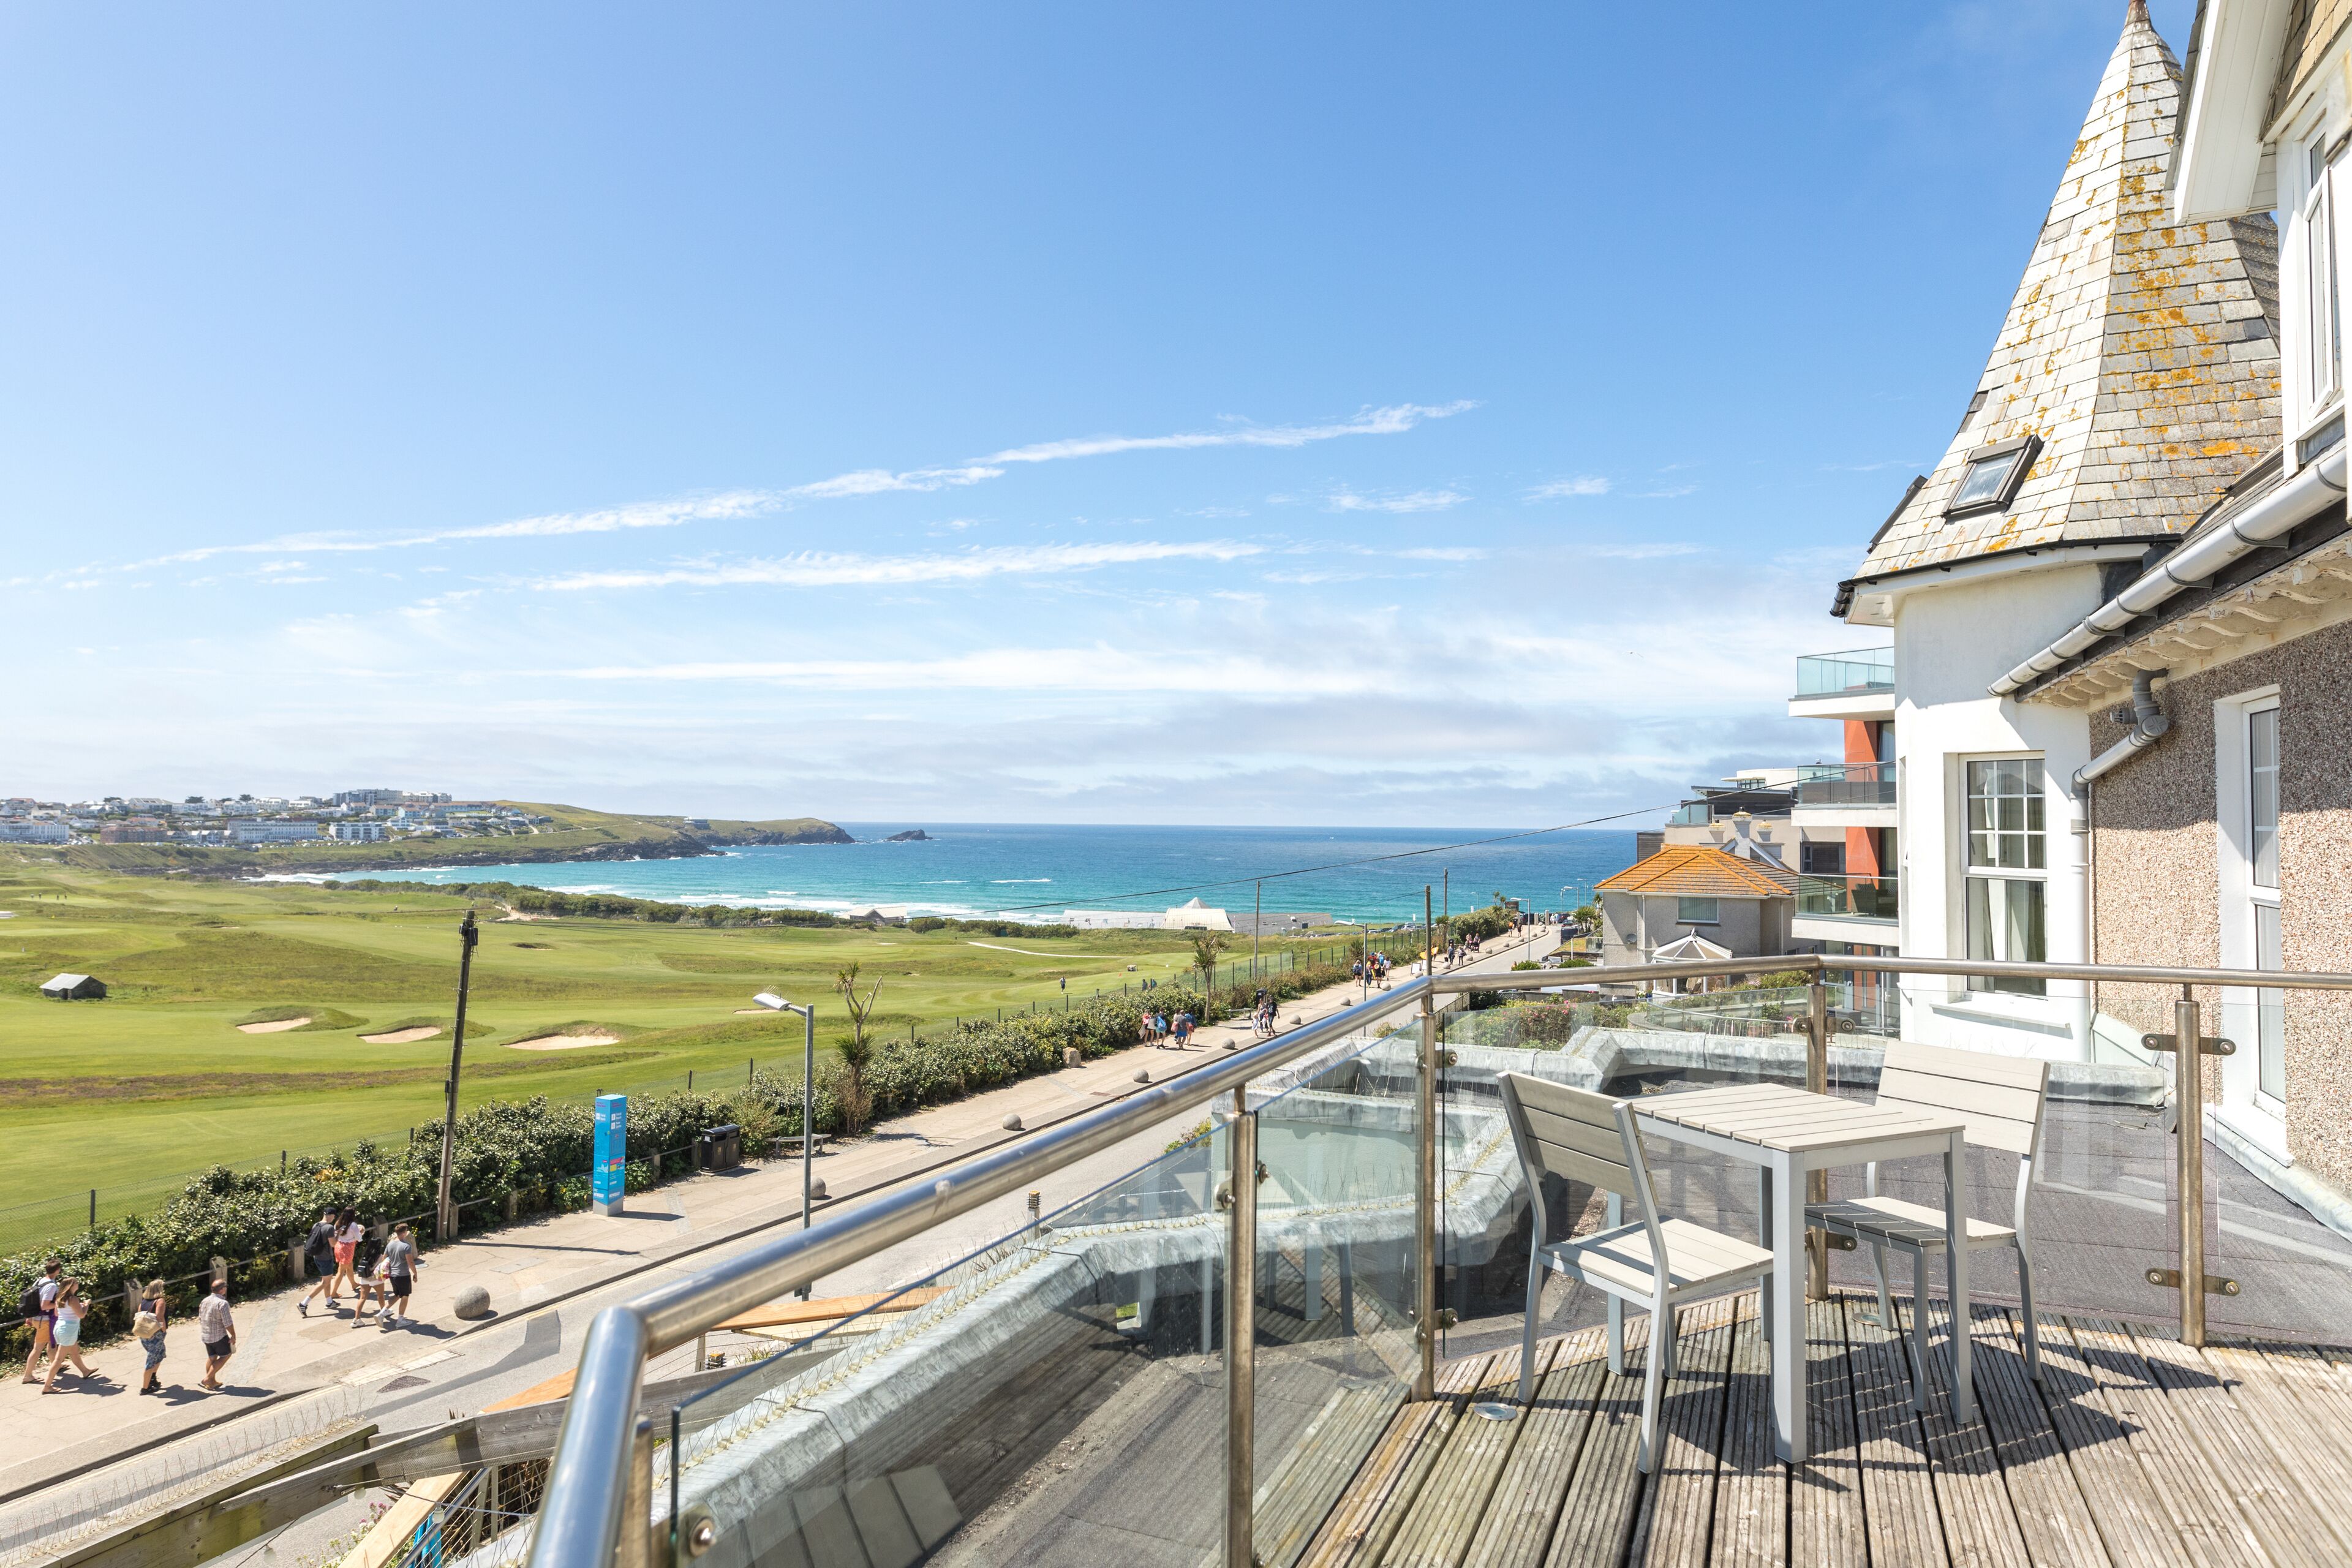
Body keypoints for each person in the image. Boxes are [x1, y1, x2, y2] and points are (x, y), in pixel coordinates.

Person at [40, 1281, 100, 1392]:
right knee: (58, 1360)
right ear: (71, 1286)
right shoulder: (73, 1299)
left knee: (75, 1352)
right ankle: (47, 1386)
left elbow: (57, 1314)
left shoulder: (60, 1298)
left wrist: (78, 1307)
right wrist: (86, 1305)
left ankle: (85, 1371)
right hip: (68, 1331)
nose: (78, 1284)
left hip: (60, 1328)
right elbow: (82, 1315)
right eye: (76, 1283)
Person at [18, 1258, 61, 1385]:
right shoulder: (52, 1286)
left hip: (39, 1319)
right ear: (57, 1271)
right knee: (38, 1349)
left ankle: (56, 1365)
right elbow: (44, 1306)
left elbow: (33, 1300)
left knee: (52, 1343)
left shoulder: (40, 1281)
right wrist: (59, 1304)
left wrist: (30, 1317)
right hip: (45, 1321)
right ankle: (28, 1376)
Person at [298, 1207, 341, 1316]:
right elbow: (333, 1244)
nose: (334, 1218)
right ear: (331, 1215)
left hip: (317, 1257)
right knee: (325, 1282)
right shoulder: (329, 1227)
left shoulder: (316, 1225)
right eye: (334, 1216)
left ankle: (329, 1302)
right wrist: (339, 1234)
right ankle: (304, 1303)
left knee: (326, 1279)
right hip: (326, 1258)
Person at [378, 1222, 421, 1329]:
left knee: (397, 1295)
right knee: (405, 1296)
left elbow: (384, 1258)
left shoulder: (390, 1244)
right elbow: (410, 1262)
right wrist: (415, 1273)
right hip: (403, 1275)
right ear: (404, 1233)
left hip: (393, 1275)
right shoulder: (406, 1246)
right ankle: (400, 1320)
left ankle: (382, 1313)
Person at [197, 1278, 236, 1391]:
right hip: (218, 1336)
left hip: (206, 1335)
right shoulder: (222, 1303)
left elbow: (200, 1318)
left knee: (212, 1357)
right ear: (222, 1290)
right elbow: (228, 1322)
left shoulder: (205, 1301)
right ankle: (208, 1379)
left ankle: (212, 1382)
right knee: (226, 1355)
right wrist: (233, 1335)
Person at [135, 1280, 169, 1395]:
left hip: (145, 1334)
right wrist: (164, 1330)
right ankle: (145, 1388)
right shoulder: (160, 1301)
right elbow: (160, 1317)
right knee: (151, 1360)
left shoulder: (143, 1302)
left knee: (161, 1353)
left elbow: (139, 1316)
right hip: (156, 1334)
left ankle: (152, 1378)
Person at [330, 1207, 364, 1303]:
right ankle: (333, 1293)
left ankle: (354, 1284)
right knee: (341, 1271)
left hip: (339, 1246)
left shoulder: (338, 1223)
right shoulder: (353, 1225)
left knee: (350, 1266)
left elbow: (336, 1234)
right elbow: (359, 1238)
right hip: (348, 1249)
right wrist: (361, 1232)